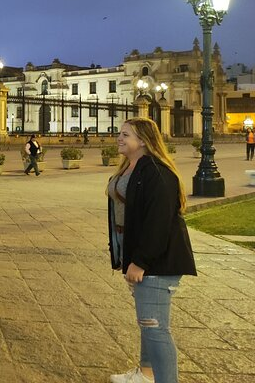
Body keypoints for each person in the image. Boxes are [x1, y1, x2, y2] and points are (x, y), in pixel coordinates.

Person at [107, 117, 196, 383]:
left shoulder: (157, 172)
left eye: (126, 135)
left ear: (143, 140)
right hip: (137, 256)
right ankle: (146, 374)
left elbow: (158, 221)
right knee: (147, 323)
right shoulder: (130, 167)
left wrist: (140, 262)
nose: (119, 138)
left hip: (157, 263)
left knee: (155, 328)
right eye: (120, 133)